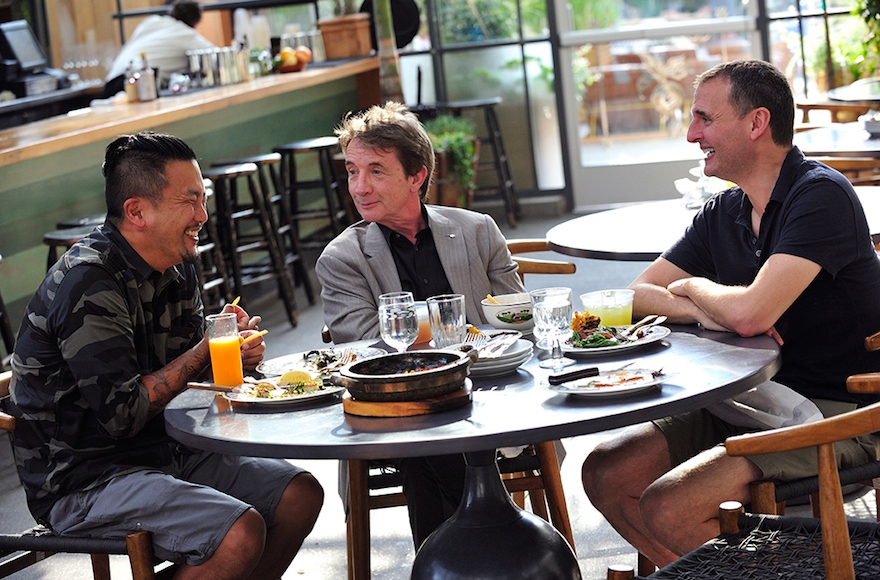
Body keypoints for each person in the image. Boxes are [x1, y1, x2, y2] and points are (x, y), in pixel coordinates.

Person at [581, 59, 880, 567]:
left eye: (705, 118)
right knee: (608, 473)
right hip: (745, 401)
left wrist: (695, 285)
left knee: (669, 506)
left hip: (842, 412)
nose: (692, 134)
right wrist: (707, 313)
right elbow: (633, 296)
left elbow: (750, 316)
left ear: (757, 123)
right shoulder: (726, 211)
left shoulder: (820, 195)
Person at [6, 132, 323, 579]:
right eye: (189, 201)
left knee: (298, 494)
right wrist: (205, 351)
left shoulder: (176, 266)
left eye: (203, 198)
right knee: (240, 532)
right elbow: (123, 414)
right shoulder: (89, 283)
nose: (203, 215)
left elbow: (189, 380)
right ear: (137, 211)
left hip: (165, 450)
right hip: (86, 479)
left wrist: (231, 357)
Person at [315, 101, 526, 548]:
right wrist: (455, 328)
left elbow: (516, 321)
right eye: (352, 171)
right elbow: (365, 350)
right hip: (399, 408)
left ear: (417, 176)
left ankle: (448, 560)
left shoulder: (477, 231)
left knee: (433, 449)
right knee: (422, 443)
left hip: (488, 394)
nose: (359, 186)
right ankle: (501, 544)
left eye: (375, 170)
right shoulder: (342, 258)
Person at [104, 0, 215, 95]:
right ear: (196, 22)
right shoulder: (186, 33)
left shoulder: (151, 21)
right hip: (140, 83)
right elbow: (216, 56)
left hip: (111, 82)